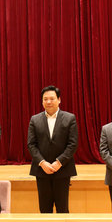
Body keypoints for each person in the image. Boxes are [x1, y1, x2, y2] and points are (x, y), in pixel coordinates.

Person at [27, 85, 78, 213]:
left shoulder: (70, 118)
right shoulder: (35, 119)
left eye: (52, 98)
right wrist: (42, 163)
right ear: (42, 101)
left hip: (63, 169)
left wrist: (59, 162)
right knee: (44, 209)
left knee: (62, 208)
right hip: (41, 170)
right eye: (45, 99)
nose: (48, 102)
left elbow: (72, 144)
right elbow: (31, 145)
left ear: (59, 100)